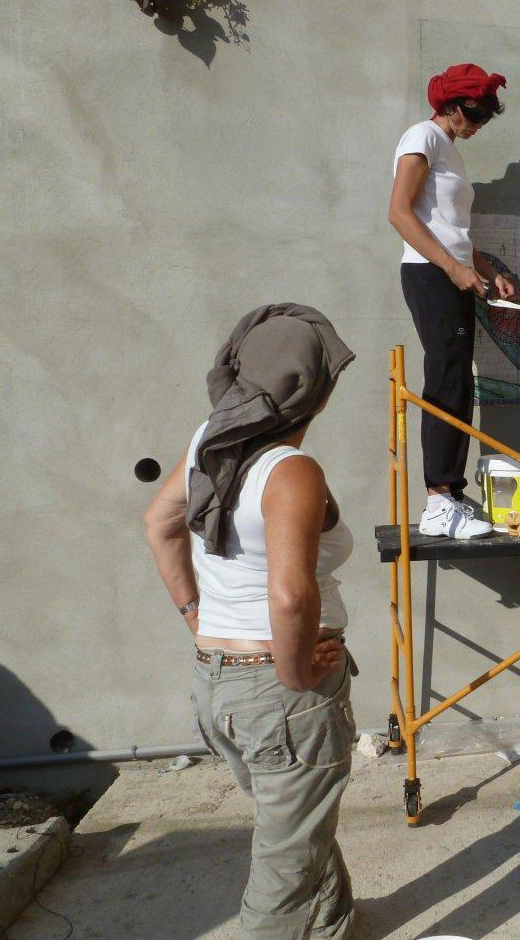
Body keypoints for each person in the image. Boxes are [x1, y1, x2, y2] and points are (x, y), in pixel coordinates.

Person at [144, 305, 358, 939]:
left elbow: (159, 525)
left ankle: (333, 927)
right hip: (277, 691)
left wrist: (196, 618)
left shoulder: (208, 443)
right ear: (313, 394)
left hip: (219, 686)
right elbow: (290, 598)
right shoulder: (291, 471)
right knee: (282, 874)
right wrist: (294, 673)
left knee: (296, 827)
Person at [388, 62, 517, 540]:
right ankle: (438, 500)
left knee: (458, 379)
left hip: (449, 272)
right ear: (449, 106)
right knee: (446, 378)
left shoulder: (450, 151)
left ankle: (450, 494)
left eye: (486, 115)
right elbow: (399, 214)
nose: (479, 123)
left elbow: (452, 231)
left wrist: (486, 270)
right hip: (429, 274)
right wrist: (454, 269)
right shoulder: (422, 137)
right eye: (474, 112)